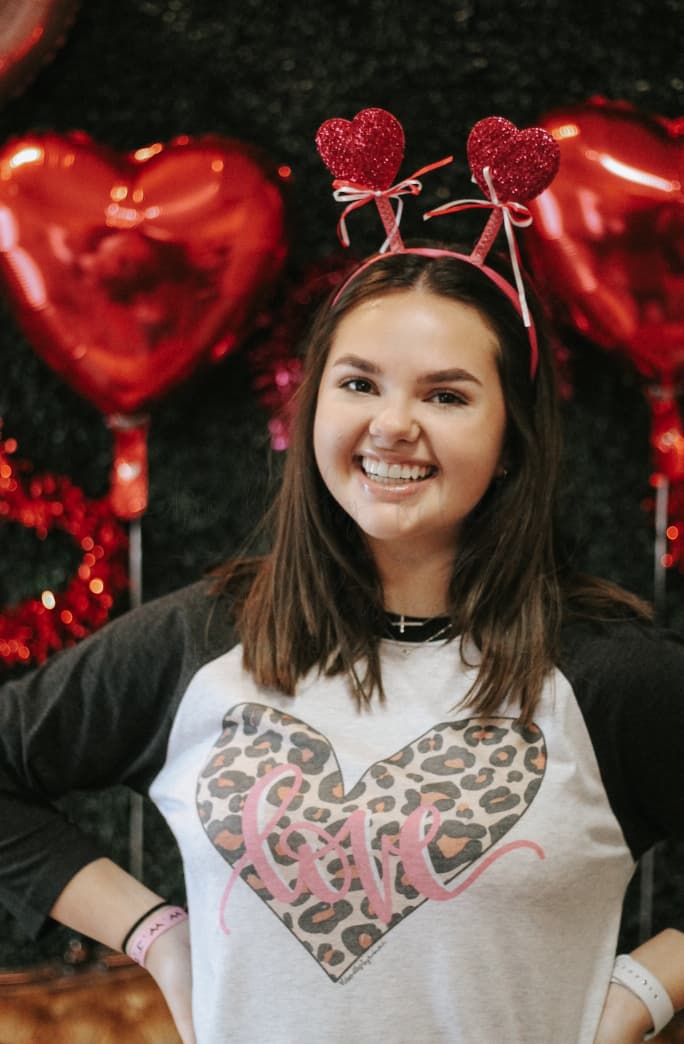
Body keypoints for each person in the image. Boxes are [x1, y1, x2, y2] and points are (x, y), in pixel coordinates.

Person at [1, 191, 684, 1041]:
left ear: (511, 439)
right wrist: (156, 936)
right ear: (314, 406)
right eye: (360, 383)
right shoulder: (203, 644)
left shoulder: (607, 678)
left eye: (447, 396)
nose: (392, 425)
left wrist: (645, 990)